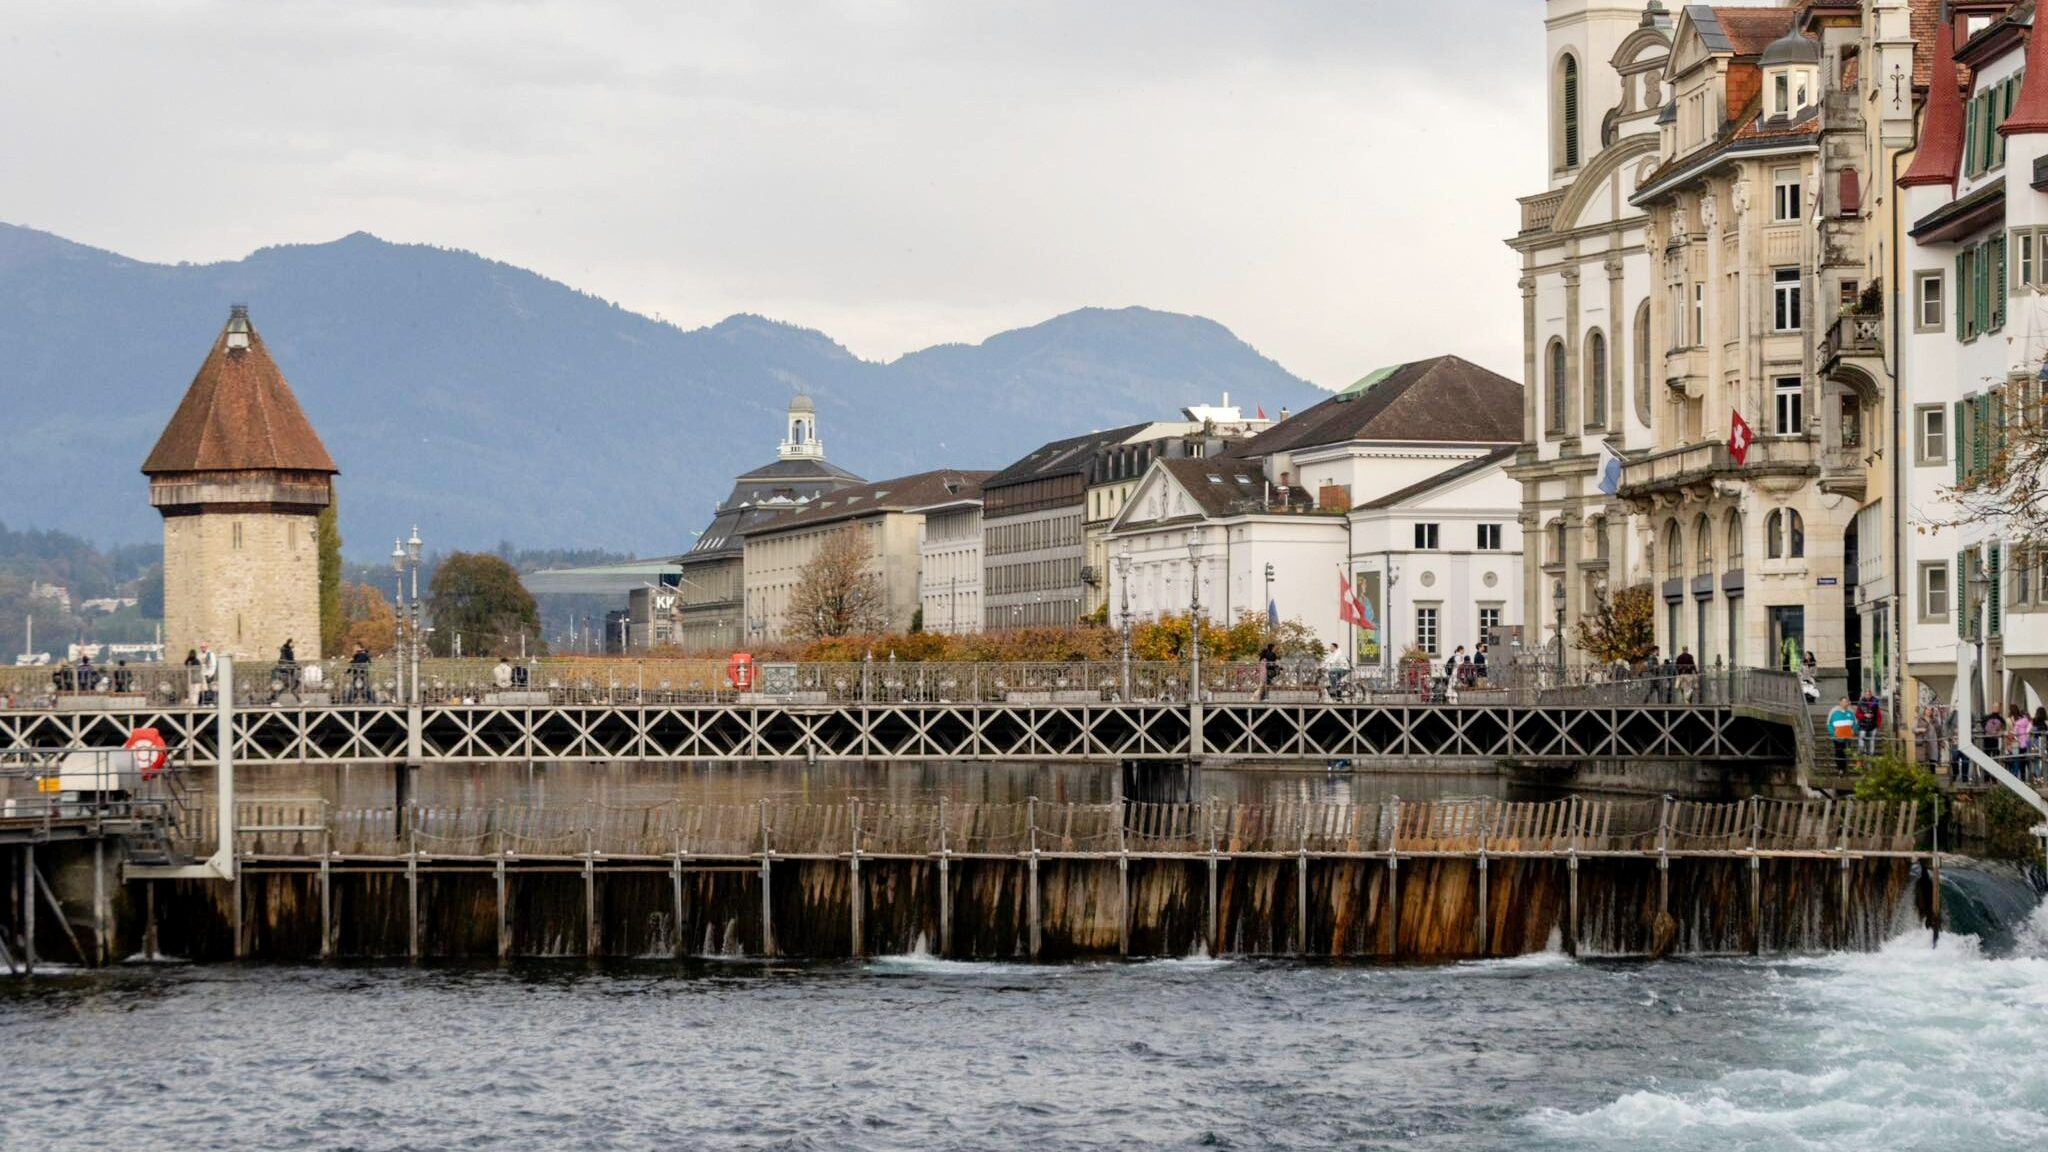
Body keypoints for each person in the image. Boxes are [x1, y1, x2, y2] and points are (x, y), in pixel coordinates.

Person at [1827, 696, 1857, 774]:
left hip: (1847, 737)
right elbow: (1828, 724)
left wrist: (1853, 731)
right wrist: (1833, 733)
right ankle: (1840, 768)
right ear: (1840, 702)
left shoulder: (1851, 712)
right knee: (1839, 752)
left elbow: (1855, 723)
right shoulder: (1833, 711)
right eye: (1844, 701)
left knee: (1846, 752)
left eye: (1847, 702)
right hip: (1837, 737)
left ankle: (1844, 768)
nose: (1846, 703)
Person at [1854, 691, 1882, 758]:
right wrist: (1864, 715)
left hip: (1872, 725)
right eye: (1866, 694)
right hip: (1863, 725)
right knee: (1862, 738)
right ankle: (1862, 752)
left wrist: (1879, 724)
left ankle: (1870, 755)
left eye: (1869, 694)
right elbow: (1857, 715)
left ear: (1871, 695)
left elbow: (1879, 715)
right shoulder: (1861, 703)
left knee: (1871, 741)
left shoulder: (1875, 702)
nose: (1868, 695)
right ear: (1864, 695)